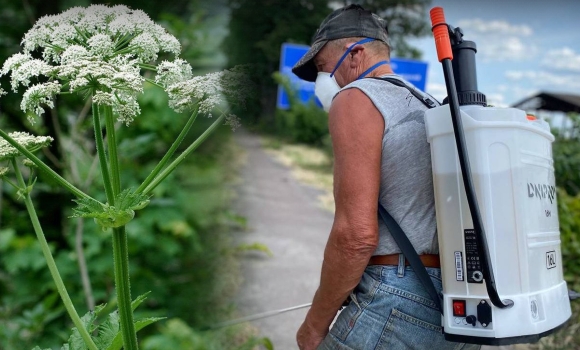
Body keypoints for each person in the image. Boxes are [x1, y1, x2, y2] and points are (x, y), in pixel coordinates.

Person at [291, 5, 481, 350]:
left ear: (356, 54)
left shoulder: (357, 98)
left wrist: (313, 326)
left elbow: (355, 236)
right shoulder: (427, 105)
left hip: (397, 301)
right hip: (458, 302)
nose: (325, 80)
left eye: (323, 68)